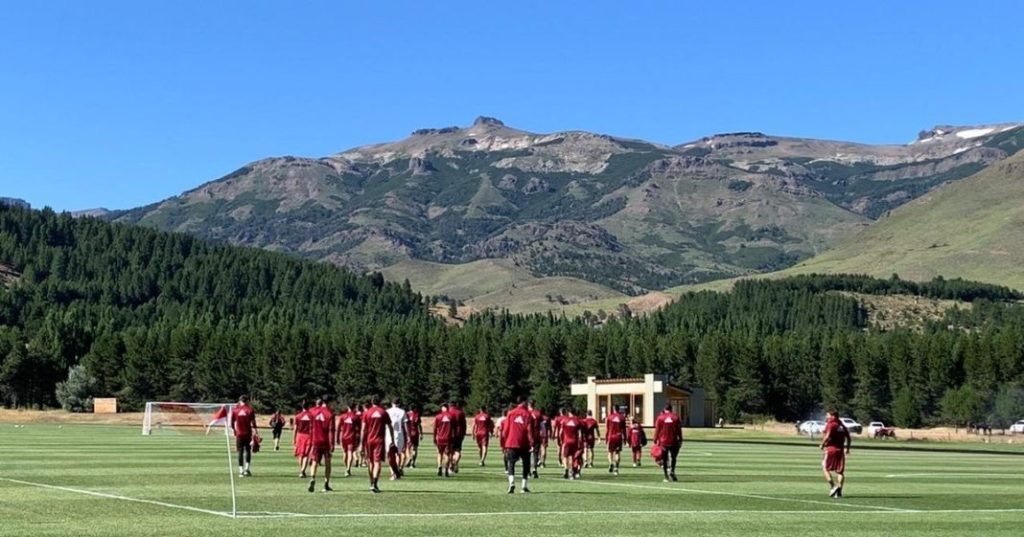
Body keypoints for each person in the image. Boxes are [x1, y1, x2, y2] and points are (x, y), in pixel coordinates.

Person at [360, 395, 394, 493]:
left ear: (371, 402)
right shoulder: (383, 412)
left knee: (370, 462)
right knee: (377, 462)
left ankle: (371, 482)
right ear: (380, 402)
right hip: (379, 440)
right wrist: (392, 440)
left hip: (369, 440)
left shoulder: (367, 412)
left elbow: (363, 429)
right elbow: (390, 426)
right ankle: (375, 483)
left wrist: (361, 444)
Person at [501, 397, 535, 494]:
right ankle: (524, 486)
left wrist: (505, 442)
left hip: (511, 442)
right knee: (526, 464)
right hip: (524, 443)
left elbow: (505, 430)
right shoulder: (528, 415)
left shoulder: (510, 413)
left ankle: (511, 482)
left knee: (511, 463)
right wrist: (531, 442)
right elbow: (530, 431)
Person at [819, 409, 852, 498]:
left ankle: (833, 486)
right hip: (840, 450)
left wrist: (822, 444)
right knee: (840, 471)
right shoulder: (841, 425)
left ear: (832, 416)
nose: (826, 417)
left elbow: (828, 435)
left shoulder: (831, 424)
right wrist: (847, 448)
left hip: (831, 449)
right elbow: (849, 437)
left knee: (825, 467)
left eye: (828, 415)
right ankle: (839, 491)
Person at [307, 397, 335, 492]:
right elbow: (331, 431)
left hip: (315, 440)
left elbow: (309, 427)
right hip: (326, 441)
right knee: (327, 463)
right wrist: (332, 444)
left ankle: (312, 478)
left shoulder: (311, 412)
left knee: (314, 461)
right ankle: (326, 483)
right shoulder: (329, 413)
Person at [654, 404, 683, 482]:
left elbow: (657, 430)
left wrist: (655, 439)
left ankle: (666, 476)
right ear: (671, 409)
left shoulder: (660, 417)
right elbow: (679, 430)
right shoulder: (676, 417)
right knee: (673, 458)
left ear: (664, 409)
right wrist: (680, 439)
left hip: (663, 441)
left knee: (664, 458)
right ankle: (672, 471)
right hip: (674, 441)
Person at [231, 395, 258, 477]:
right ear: (247, 401)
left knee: (240, 451)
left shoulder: (235, 410)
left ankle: (241, 471)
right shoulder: (250, 410)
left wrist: (235, 431)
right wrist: (256, 432)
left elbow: (232, 423)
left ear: (240, 401)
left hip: (239, 433)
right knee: (248, 451)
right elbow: (253, 423)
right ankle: (247, 469)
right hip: (247, 433)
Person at [386, 398, 409, 480]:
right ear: (399, 403)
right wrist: (408, 436)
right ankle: (397, 470)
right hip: (399, 434)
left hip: (388, 435)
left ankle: (392, 472)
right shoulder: (402, 412)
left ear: (392, 403)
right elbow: (405, 426)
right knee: (397, 454)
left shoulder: (388, 411)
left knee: (389, 454)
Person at [336, 403, 362, 477]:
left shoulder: (342, 416)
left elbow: (338, 428)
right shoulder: (356, 417)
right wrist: (359, 438)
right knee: (350, 452)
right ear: (354, 408)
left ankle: (346, 467)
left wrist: (337, 438)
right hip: (352, 436)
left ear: (348, 407)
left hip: (344, 437)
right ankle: (348, 469)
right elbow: (359, 429)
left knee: (345, 453)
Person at [560, 408, 583, 479]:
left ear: (569, 412)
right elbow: (580, 434)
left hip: (566, 441)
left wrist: (561, 440)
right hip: (574, 441)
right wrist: (580, 442)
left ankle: (566, 469)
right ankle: (571, 471)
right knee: (573, 457)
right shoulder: (577, 421)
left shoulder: (564, 420)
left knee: (565, 456)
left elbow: (561, 432)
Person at [605, 406, 627, 475]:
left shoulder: (609, 417)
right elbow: (624, 430)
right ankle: (616, 467)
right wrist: (625, 439)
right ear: (618, 409)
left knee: (609, 452)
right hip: (618, 436)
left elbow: (607, 429)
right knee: (617, 452)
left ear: (613, 409)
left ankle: (611, 463)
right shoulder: (622, 417)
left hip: (611, 436)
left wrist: (606, 438)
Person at [293, 401, 313, 477]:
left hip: (300, 436)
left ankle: (302, 469)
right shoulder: (311, 416)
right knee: (306, 455)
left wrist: (294, 438)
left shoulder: (298, 416)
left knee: (300, 454)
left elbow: (295, 429)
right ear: (308, 407)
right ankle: (302, 471)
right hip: (308, 436)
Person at [433, 403, 453, 477]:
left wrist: (434, 438)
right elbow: (454, 428)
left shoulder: (438, 417)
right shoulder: (451, 417)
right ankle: (446, 469)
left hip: (440, 438)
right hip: (448, 438)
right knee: (447, 454)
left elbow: (435, 429)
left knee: (439, 453)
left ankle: (439, 466)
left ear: (442, 408)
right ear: (447, 408)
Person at [448, 400, 467, 473]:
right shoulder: (461, 412)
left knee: (450, 451)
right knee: (458, 450)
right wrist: (463, 433)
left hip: (450, 434)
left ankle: (451, 466)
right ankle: (455, 463)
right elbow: (464, 425)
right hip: (459, 434)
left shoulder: (448, 412)